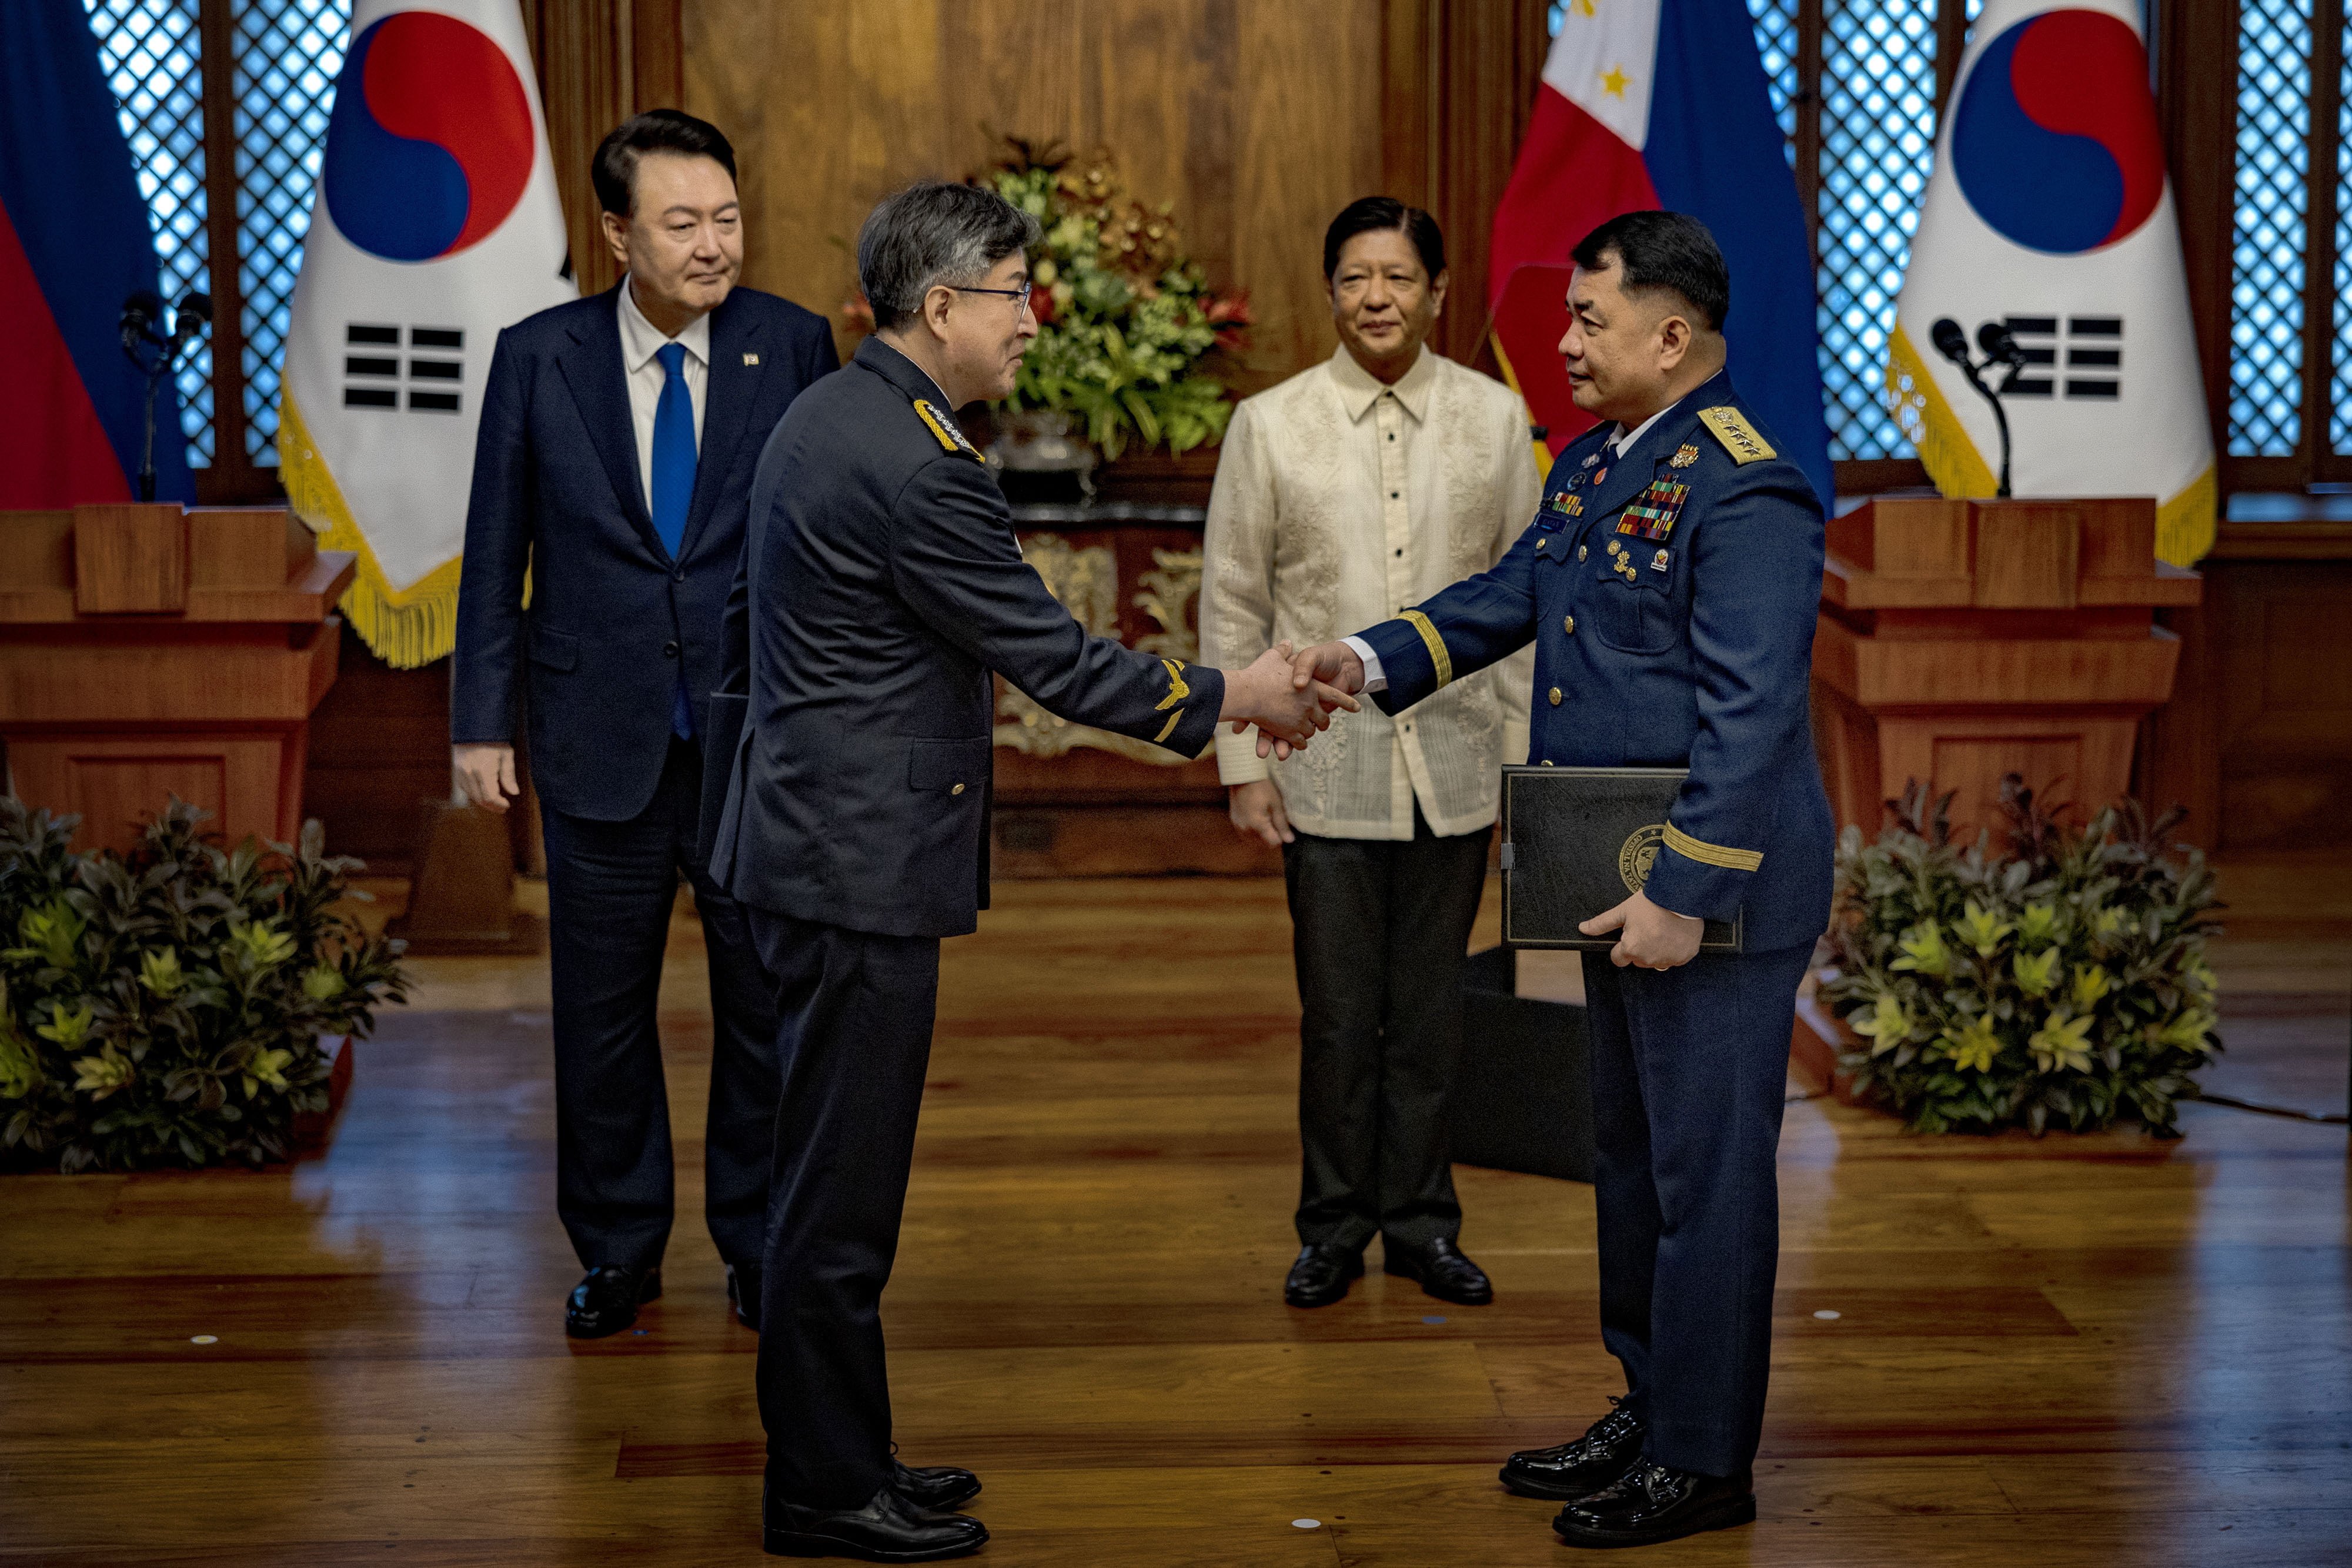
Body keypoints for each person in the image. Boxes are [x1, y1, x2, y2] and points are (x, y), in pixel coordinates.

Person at [707, 179, 1358, 1563]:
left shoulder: (838, 412)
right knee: (835, 1194)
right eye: (1012, 294)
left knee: (828, 1176)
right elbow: (1053, 658)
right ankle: (822, 1492)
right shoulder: (915, 459)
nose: (1030, 321)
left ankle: (849, 1449)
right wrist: (1240, 688)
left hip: (811, 844)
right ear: (938, 306)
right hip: (850, 867)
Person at [1287, 210, 1833, 1550]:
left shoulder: (1746, 487)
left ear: (1672, 332)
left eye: (1590, 320)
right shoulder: (1596, 465)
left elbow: (1749, 716)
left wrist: (1682, 892)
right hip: (1607, 871)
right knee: (1630, 1158)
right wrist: (1366, 660)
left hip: (1707, 891)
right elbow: (1508, 593)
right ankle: (1649, 1401)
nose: (1564, 340)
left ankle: (1703, 1460)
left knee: (1706, 1179)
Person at [450, 111, 838, 1340]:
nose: (714, 244)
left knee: (762, 1008)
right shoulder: (538, 356)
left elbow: (827, 552)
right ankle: (617, 1248)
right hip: (593, 733)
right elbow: (494, 551)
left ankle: (758, 1240)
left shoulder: (794, 346)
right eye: (683, 224)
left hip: (752, 744)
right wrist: (479, 723)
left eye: (726, 218)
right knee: (600, 1014)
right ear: (618, 233)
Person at [1200, 196, 1539, 1312]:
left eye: (1398, 277)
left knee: (1434, 1012)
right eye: (1355, 278)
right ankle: (1335, 1226)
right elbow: (1234, 602)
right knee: (1342, 1014)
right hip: (1324, 772)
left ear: (1439, 291)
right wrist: (1244, 766)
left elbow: (1529, 606)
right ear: (1331, 290)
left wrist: (1528, 779)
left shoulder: (1495, 421)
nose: (1377, 298)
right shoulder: (1272, 423)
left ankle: (1425, 1227)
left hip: (1460, 767)